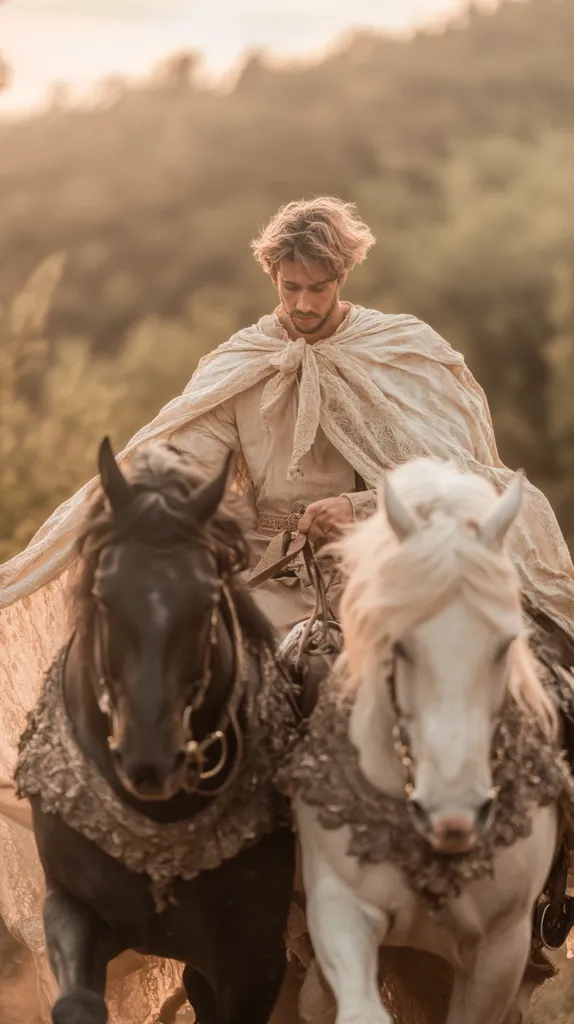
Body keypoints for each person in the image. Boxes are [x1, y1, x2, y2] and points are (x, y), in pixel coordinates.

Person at [1, 196, 574, 1022]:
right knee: (209, 680)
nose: (303, 304)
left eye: (319, 286)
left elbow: (461, 471)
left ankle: (546, 878)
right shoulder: (243, 361)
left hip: (384, 568)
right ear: (270, 272)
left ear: (346, 275)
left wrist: (364, 504)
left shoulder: (404, 351)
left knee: (510, 678)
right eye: (290, 285)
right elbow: (184, 454)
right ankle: (205, 879)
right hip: (272, 575)